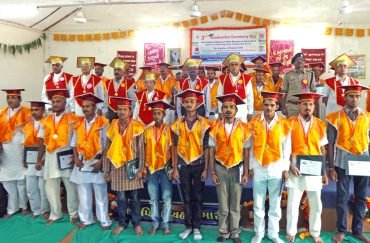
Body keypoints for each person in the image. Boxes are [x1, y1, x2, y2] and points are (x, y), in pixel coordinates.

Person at [326, 85, 370, 243]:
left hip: (363, 161)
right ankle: (342, 230)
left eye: (357, 96)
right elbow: (330, 144)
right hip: (342, 163)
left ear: (360, 98)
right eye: (351, 96)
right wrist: (331, 167)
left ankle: (358, 230)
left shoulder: (367, 117)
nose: (354, 99)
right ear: (344, 97)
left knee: (361, 197)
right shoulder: (334, 117)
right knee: (342, 197)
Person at [247, 91, 291, 243]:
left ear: (277, 106)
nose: (269, 107)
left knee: (275, 204)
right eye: (266, 104)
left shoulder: (284, 123)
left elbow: (287, 148)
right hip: (259, 167)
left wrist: (285, 169)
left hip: (276, 168)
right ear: (262, 105)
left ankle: (273, 234)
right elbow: (250, 147)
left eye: (272, 105)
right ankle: (258, 233)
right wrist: (251, 167)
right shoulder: (254, 122)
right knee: (258, 204)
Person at [285, 92, 328, 243]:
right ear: (299, 106)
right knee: (292, 203)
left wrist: (324, 172)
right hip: (296, 166)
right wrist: (289, 165)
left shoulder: (321, 124)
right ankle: (291, 231)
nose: (307, 107)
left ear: (314, 107)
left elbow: (322, 149)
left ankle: (315, 232)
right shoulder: (290, 123)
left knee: (316, 203)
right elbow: (285, 148)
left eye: (310, 104)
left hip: (314, 167)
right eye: (304, 104)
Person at [209, 93, 251, 243]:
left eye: (231, 107)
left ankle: (234, 233)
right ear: (221, 110)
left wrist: (246, 172)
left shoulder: (244, 128)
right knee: (223, 203)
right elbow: (211, 150)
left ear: (236, 111)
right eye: (225, 107)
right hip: (220, 168)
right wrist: (212, 172)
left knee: (235, 203)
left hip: (236, 167)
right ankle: (223, 232)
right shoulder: (214, 127)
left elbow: (246, 151)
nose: (228, 110)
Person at [171, 89, 211, 241]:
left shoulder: (204, 123)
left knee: (198, 197)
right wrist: (175, 168)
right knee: (187, 197)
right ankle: (188, 226)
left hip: (199, 164)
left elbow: (207, 147)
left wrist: (206, 168)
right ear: (183, 103)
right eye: (186, 102)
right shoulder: (177, 124)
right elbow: (174, 146)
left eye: (192, 102)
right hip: (183, 165)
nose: (189, 104)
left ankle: (197, 227)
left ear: (197, 104)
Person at [36, 88, 79, 224]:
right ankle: (55, 214)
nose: (55, 104)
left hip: (66, 155)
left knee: (71, 187)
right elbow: (42, 142)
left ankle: (74, 214)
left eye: (58, 101)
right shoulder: (45, 120)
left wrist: (74, 157)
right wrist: (39, 160)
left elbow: (75, 141)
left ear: (64, 102)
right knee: (51, 186)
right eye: (53, 102)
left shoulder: (73, 119)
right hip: (50, 156)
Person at [103, 97, 145, 236]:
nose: (121, 112)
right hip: (117, 167)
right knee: (120, 198)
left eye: (124, 109)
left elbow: (141, 150)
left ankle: (137, 224)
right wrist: (106, 170)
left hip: (132, 167)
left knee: (134, 197)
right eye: (119, 109)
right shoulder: (112, 126)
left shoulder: (138, 126)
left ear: (130, 111)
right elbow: (107, 149)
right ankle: (122, 223)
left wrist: (141, 169)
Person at [70, 93, 112, 230]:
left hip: (97, 161)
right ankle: (86, 219)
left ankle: (104, 221)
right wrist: (76, 158)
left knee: (100, 194)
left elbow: (107, 144)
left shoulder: (104, 122)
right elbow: (74, 143)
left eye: (88, 106)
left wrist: (101, 163)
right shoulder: (78, 123)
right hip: (82, 163)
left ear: (95, 108)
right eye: (83, 106)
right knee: (83, 194)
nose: (85, 109)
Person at [142, 100, 174, 235]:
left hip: (166, 167)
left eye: (159, 113)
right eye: (154, 114)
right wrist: (143, 166)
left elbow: (173, 149)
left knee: (167, 198)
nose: (156, 116)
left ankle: (165, 224)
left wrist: (173, 167)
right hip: (151, 167)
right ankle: (155, 223)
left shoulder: (170, 130)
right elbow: (143, 149)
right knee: (153, 198)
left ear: (164, 114)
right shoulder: (147, 130)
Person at [0, 89, 31, 218]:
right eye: (8, 97)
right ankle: (12, 208)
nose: (10, 100)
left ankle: (23, 206)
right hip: (5, 150)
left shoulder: (27, 113)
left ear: (19, 99)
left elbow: (29, 133)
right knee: (7, 180)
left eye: (13, 97)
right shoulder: (2, 113)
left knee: (21, 180)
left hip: (19, 148)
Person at [22, 101, 50, 219]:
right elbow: (25, 143)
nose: (34, 112)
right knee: (30, 187)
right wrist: (24, 159)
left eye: (37, 109)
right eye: (32, 110)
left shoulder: (48, 123)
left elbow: (48, 144)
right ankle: (36, 210)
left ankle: (45, 210)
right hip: (30, 159)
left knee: (42, 187)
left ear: (43, 111)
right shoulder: (27, 124)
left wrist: (43, 159)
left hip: (42, 159)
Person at [218, 53, 254, 122]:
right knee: (229, 130)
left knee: (241, 130)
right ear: (229, 67)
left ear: (239, 66)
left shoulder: (246, 78)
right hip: (227, 110)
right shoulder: (223, 79)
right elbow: (220, 96)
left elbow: (250, 96)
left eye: (236, 64)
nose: (234, 67)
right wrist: (220, 111)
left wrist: (250, 111)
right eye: (232, 65)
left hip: (242, 110)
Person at [281, 53, 316, 118]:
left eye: (302, 60)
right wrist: (283, 107)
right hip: (292, 107)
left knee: (305, 127)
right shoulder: (288, 75)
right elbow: (284, 92)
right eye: (297, 60)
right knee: (291, 126)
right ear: (293, 63)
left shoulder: (310, 74)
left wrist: (314, 107)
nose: (300, 61)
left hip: (306, 107)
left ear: (304, 62)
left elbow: (313, 92)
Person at [104, 57, 136, 122]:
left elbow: (133, 100)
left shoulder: (129, 83)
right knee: (112, 131)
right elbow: (106, 99)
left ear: (123, 71)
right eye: (115, 70)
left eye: (119, 70)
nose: (116, 72)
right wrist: (105, 110)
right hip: (111, 112)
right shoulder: (108, 83)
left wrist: (131, 111)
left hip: (124, 112)